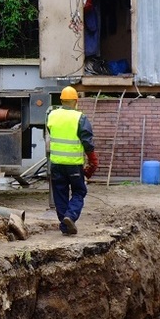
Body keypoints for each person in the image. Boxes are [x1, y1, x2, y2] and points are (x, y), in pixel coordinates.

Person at [47, 86, 98, 235]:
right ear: (76, 101)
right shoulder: (80, 118)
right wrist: (93, 161)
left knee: (60, 193)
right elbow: (87, 142)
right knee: (79, 191)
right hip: (74, 165)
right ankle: (70, 216)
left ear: (61, 100)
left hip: (56, 163)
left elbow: (52, 132)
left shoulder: (51, 115)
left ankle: (65, 226)